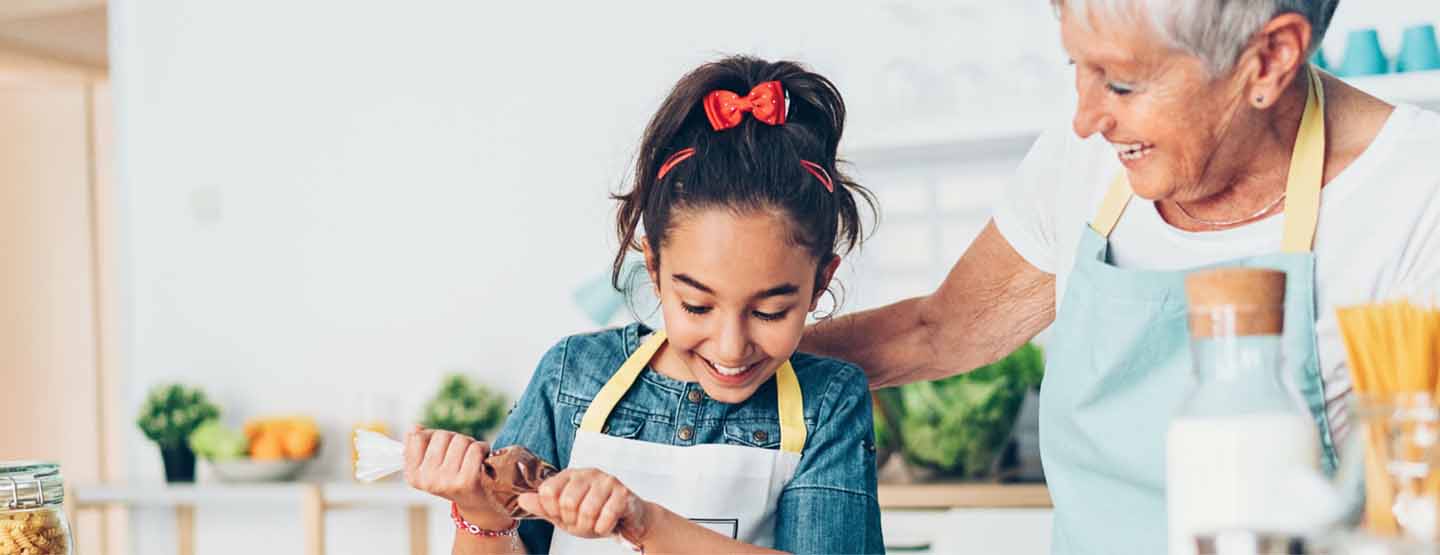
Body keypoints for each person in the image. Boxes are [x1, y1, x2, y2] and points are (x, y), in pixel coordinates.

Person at [801, 1, 1440, 553]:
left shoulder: (1415, 194)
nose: (1085, 118)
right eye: (1077, 68)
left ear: (1269, 59)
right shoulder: (1082, 163)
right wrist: (738, 349)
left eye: (1123, 83)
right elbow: (936, 332)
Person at [405, 55, 884, 554]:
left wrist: (645, 523)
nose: (731, 345)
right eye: (697, 305)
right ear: (653, 269)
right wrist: (482, 515)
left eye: (769, 312)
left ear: (820, 282)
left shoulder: (828, 402)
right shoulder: (571, 379)